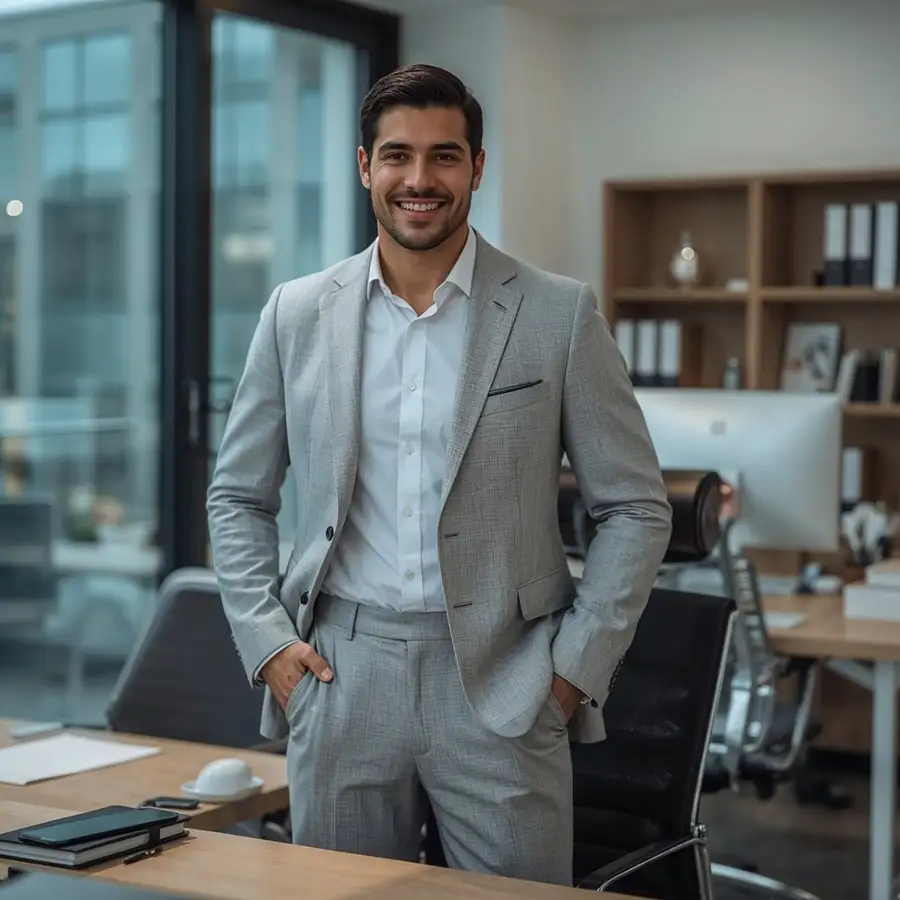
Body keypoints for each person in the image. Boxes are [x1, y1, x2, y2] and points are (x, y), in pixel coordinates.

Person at [207, 63, 671, 885]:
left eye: (444, 156)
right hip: (339, 674)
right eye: (397, 156)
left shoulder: (557, 313)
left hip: (506, 678)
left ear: (477, 168)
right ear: (364, 166)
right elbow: (239, 496)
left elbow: (635, 507)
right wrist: (268, 644)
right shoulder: (296, 313)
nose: (419, 179)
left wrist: (571, 672)